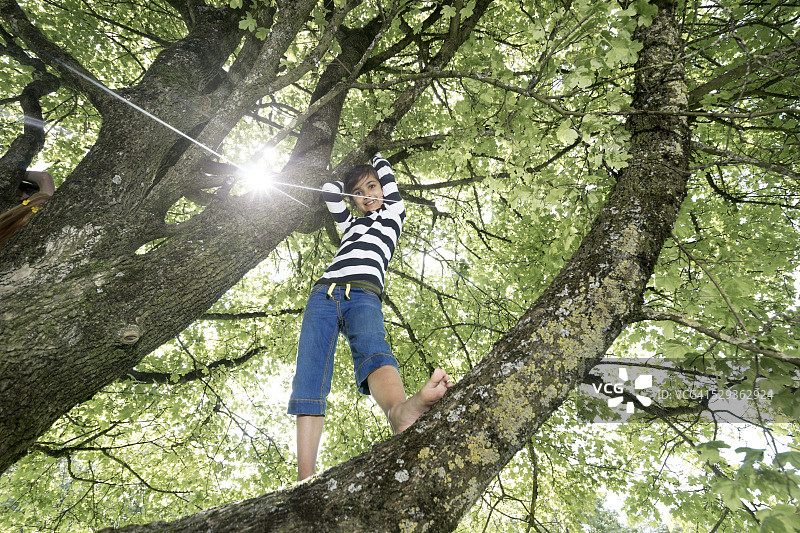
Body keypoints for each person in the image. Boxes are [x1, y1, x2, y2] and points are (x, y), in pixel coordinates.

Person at [288, 153, 452, 481]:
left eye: (372, 186)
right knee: (309, 372)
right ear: (355, 203)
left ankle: (399, 413)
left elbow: (386, 177)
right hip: (323, 295)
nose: (368, 195)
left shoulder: (394, 213)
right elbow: (329, 190)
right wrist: (349, 188)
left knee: (373, 349)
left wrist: (376, 158)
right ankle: (304, 477)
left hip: (363, 294)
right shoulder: (348, 224)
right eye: (360, 194)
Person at [0, 170, 54, 249]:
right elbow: (44, 177)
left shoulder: (44, 203)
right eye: (19, 194)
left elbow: (45, 177)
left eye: (29, 192)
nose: (24, 197)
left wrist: (14, 172)